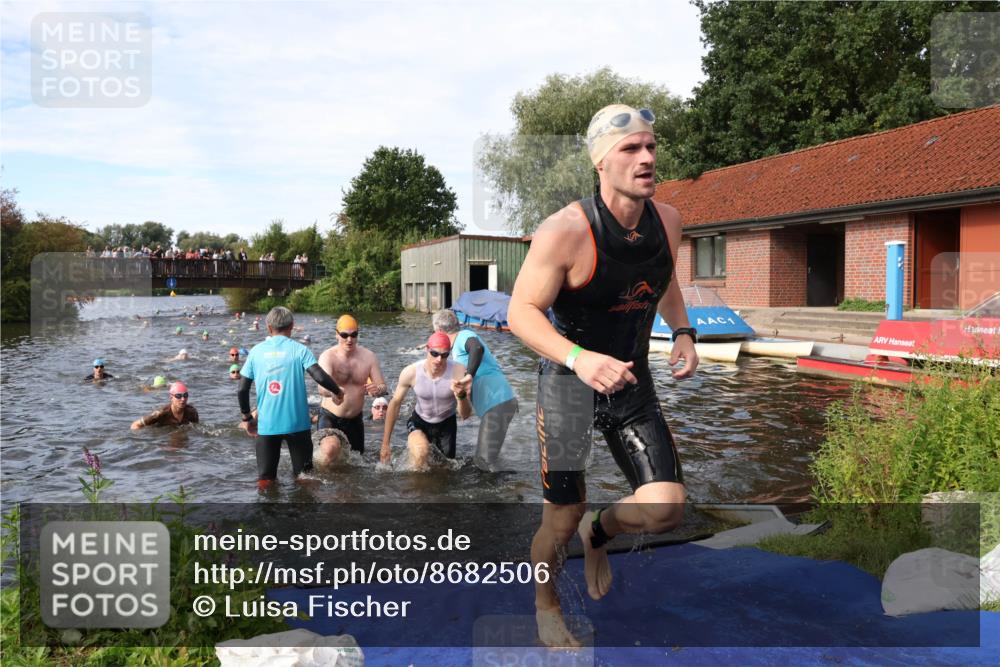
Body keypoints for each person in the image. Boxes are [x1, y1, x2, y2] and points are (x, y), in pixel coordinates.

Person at [507, 104, 699, 647]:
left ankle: (601, 532)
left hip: (632, 384)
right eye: (631, 149)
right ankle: (547, 607)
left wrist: (684, 332)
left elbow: (662, 279)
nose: (647, 158)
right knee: (560, 519)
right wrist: (578, 358)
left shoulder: (669, 221)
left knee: (665, 509)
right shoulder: (566, 231)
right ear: (600, 162)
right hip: (570, 386)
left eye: (651, 147)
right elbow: (520, 313)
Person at [236, 306, 345, 489]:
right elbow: (319, 376)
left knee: (266, 479)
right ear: (292, 326)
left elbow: (242, 389)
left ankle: (268, 513)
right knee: (305, 478)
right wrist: (338, 391)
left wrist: (247, 417)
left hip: (267, 426)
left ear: (268, 327)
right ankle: (303, 513)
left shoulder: (256, 352)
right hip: (298, 425)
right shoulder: (299, 350)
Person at [432, 309, 518, 471]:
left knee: (483, 460)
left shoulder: (463, 336)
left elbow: (477, 348)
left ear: (440, 331)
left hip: (498, 402)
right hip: (498, 404)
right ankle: (509, 488)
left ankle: (514, 488)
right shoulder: (456, 347)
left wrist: (469, 375)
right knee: (486, 459)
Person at [380, 332, 472, 469]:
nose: (439, 359)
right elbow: (395, 404)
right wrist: (385, 443)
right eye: (434, 354)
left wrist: (461, 396)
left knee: (445, 471)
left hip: (447, 425)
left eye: (444, 355)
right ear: (426, 350)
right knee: (420, 453)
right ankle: (414, 489)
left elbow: (465, 415)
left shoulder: (458, 372)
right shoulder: (411, 372)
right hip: (419, 421)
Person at [314, 314, 388, 460]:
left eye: (354, 335)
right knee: (329, 450)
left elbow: (383, 387)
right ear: (336, 335)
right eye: (344, 335)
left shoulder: (368, 357)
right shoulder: (328, 357)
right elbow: (321, 389)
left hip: (355, 420)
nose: (349, 339)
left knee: (357, 464)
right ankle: (324, 481)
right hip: (330, 416)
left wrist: (377, 390)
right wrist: (333, 392)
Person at [131, 382, 199, 429]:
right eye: (178, 396)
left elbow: (196, 428)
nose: (183, 399)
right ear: (171, 397)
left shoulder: (192, 412)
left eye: (185, 395)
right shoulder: (160, 413)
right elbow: (135, 425)